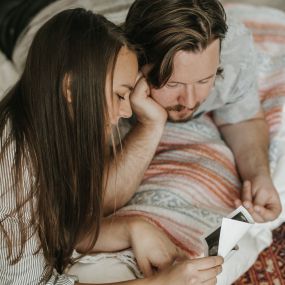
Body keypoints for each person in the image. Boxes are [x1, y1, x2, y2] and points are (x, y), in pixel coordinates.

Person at [0, 8, 223, 285]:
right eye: (120, 95)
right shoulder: (14, 168)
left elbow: (58, 225)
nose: (128, 111)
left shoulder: (52, 124)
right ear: (70, 88)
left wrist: (133, 228)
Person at [123, 0, 282, 223]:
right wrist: (151, 125)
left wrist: (258, 176)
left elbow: (242, 119)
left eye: (204, 80)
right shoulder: (110, 76)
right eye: (172, 84)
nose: (189, 101)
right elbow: (102, 200)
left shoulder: (234, 50)